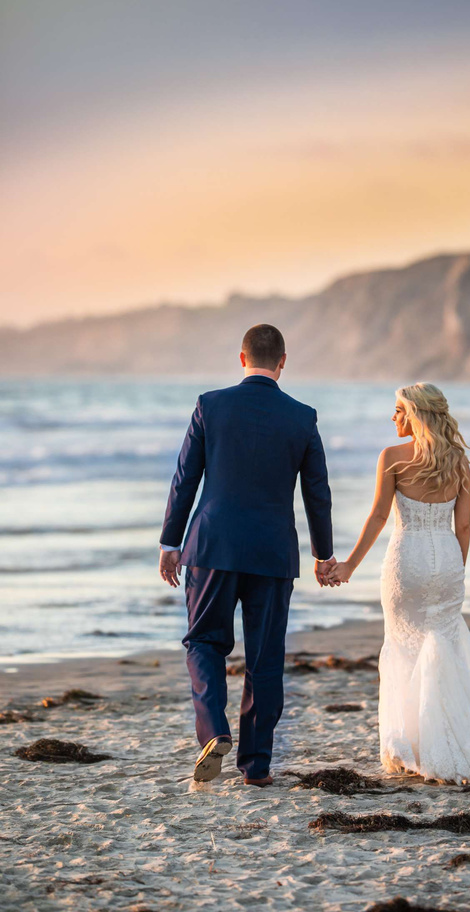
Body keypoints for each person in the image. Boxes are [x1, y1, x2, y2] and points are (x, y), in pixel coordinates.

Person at [158, 324, 339, 786]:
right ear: (282, 362)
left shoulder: (210, 405)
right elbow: (317, 492)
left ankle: (214, 732)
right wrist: (323, 554)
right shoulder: (302, 416)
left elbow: (185, 479)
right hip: (273, 554)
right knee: (264, 658)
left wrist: (170, 542)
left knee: (204, 642)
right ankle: (256, 767)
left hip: (212, 547)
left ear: (241, 359)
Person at [330, 382, 470, 784]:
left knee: (405, 647)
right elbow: (462, 526)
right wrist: (454, 574)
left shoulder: (392, 457)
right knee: (441, 645)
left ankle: (414, 744)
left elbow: (378, 517)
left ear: (415, 414)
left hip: (405, 562)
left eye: (398, 410)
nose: (392, 417)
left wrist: (349, 567)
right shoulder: (458, 461)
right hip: (446, 562)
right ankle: (447, 741)